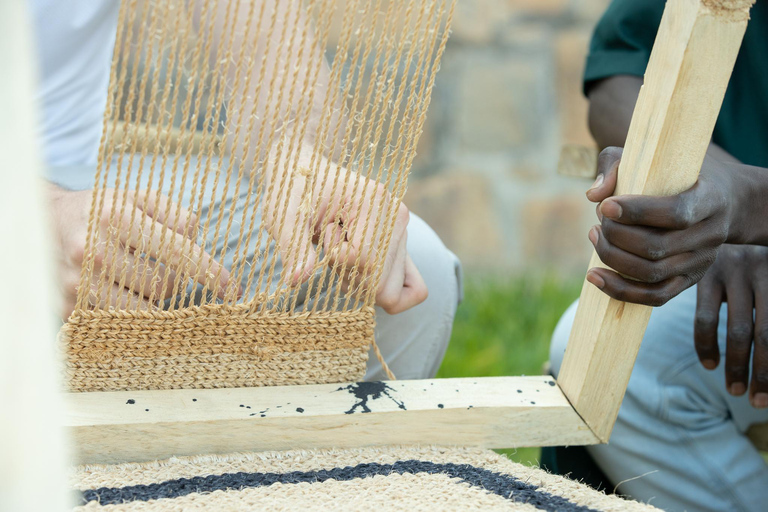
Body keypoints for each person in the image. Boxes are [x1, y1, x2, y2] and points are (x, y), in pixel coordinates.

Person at [31, 0, 462, 381]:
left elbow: (272, 63)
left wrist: (296, 154)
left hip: (84, 172)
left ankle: (286, 472)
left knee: (405, 268)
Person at [548, 1, 768, 510]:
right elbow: (616, 79)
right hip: (741, 277)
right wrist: (703, 199)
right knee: (613, 367)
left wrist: (747, 206)